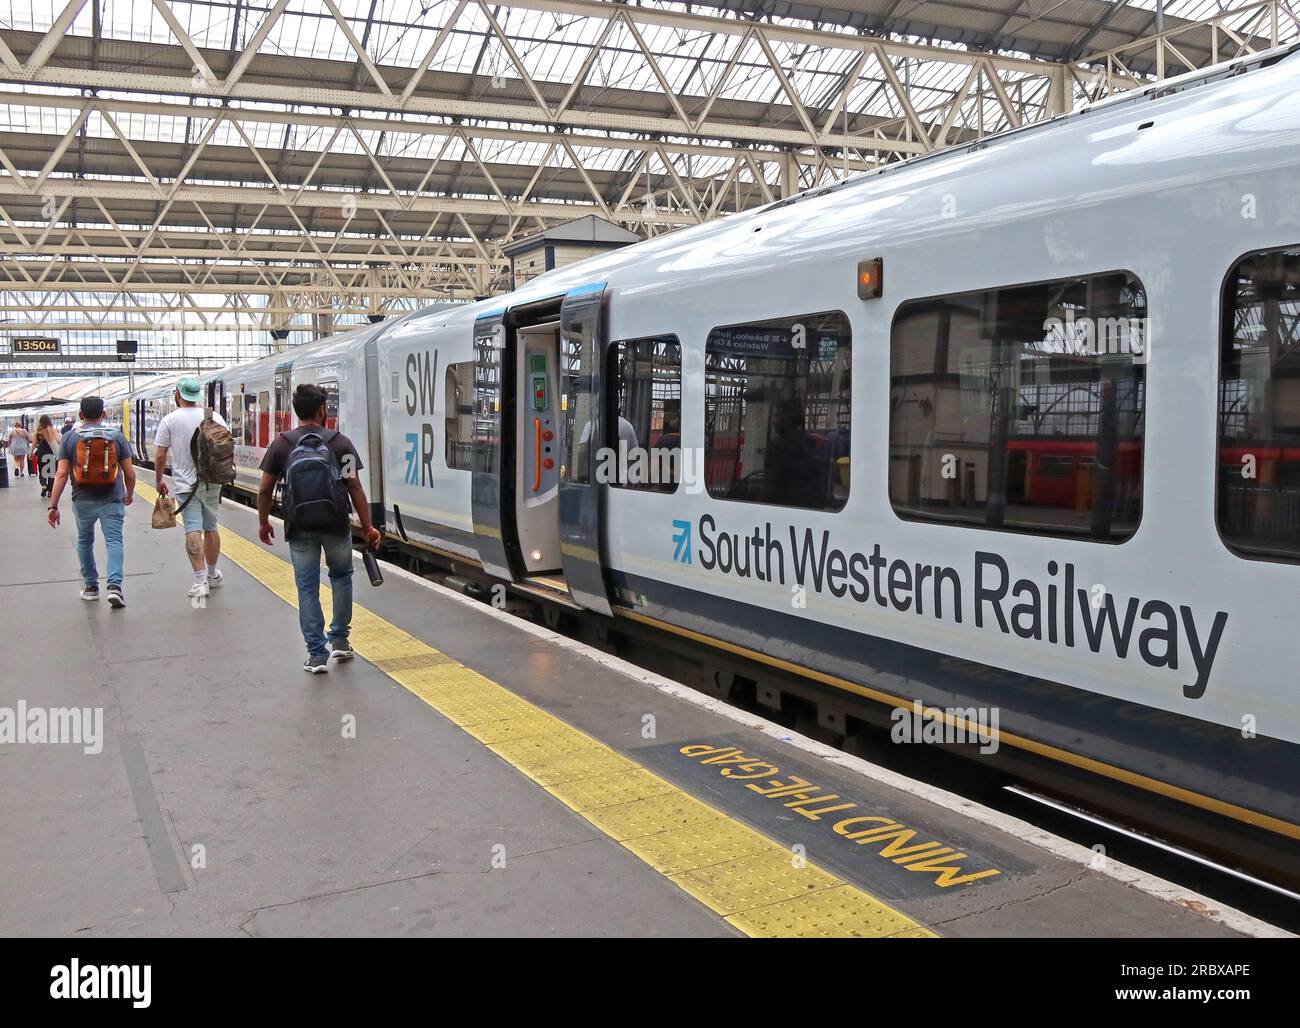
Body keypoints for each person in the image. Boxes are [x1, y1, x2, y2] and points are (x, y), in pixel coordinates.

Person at [257, 383, 381, 674]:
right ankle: (339, 639)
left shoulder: (281, 444)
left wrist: (263, 522)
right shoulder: (341, 443)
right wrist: (368, 527)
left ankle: (316, 655)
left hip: (299, 527)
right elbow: (354, 487)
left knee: (307, 586)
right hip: (336, 524)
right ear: (322, 409)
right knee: (341, 577)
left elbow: (264, 489)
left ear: (296, 411)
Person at [46, 396, 136, 607]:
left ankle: (91, 587)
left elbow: (60, 474)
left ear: (80, 415)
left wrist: (53, 505)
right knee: (114, 541)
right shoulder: (117, 436)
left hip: (82, 498)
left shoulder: (69, 438)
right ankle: (114, 587)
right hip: (112, 498)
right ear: (104, 414)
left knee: (85, 541)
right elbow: (130, 473)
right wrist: (129, 493)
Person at [153, 377, 229, 599]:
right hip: (213, 481)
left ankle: (200, 581)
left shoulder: (170, 420)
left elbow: (160, 455)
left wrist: (158, 480)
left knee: (192, 529)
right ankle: (213, 574)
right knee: (211, 527)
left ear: (178, 394)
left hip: (186, 485)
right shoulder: (214, 417)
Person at [33, 415, 61, 498]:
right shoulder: (52, 430)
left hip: (41, 452)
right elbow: (58, 440)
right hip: (51, 452)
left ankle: (44, 485)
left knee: (42, 471)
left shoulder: (37, 432)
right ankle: (50, 491)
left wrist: (31, 452)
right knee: (51, 473)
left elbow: (34, 443)